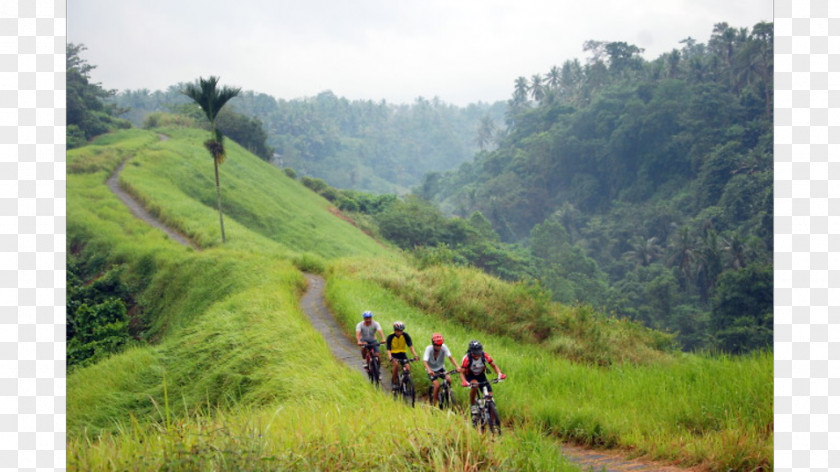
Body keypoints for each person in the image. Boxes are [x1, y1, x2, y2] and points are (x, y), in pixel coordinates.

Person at [459, 340, 506, 410]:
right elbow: (461, 372)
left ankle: (491, 415)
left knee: (490, 397)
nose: (477, 356)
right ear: (471, 352)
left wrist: (499, 374)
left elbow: (494, 365)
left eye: (479, 353)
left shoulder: (485, 355)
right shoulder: (467, 358)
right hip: (470, 375)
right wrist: (464, 381)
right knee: (475, 385)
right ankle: (473, 405)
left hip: (481, 375)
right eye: (475, 354)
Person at [422, 333, 461, 405]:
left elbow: (451, 358)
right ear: (433, 344)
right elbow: (425, 361)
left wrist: (457, 366)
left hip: (440, 368)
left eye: (440, 345)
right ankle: (434, 404)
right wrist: (429, 370)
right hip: (431, 370)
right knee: (437, 385)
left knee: (448, 379)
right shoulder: (429, 349)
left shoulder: (444, 347)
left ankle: (447, 394)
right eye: (437, 345)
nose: (439, 347)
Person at [386, 321, 419, 388]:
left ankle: (406, 382)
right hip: (394, 354)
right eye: (397, 331)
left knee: (407, 367)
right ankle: (394, 381)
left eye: (401, 331)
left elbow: (411, 347)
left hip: (402, 354)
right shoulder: (390, 336)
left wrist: (415, 355)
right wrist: (390, 357)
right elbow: (388, 349)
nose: (399, 333)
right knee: (396, 365)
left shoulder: (405, 335)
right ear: (395, 330)